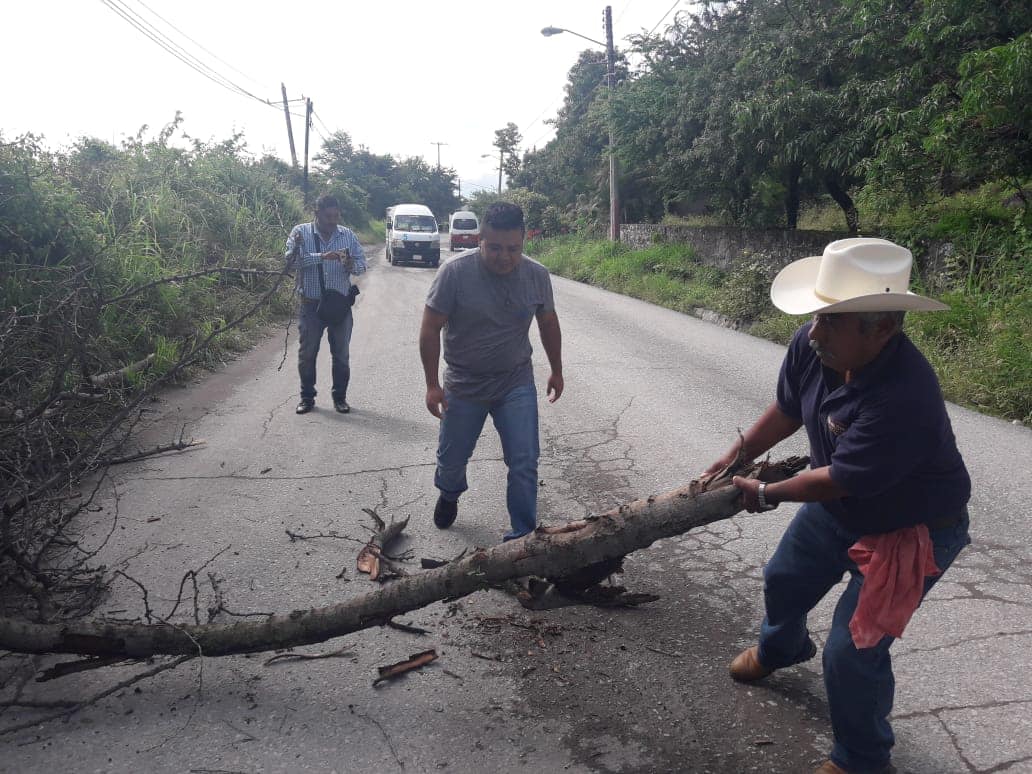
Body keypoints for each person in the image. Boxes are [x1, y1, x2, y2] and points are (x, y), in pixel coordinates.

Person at [702, 238, 971, 774]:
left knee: (853, 653)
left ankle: (862, 758)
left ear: (883, 328)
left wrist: (766, 492)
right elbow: (786, 408)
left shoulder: (905, 394)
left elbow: (841, 479)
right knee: (784, 578)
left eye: (832, 322)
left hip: (910, 528)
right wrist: (737, 456)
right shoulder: (816, 343)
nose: (814, 331)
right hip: (842, 511)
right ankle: (780, 648)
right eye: (818, 316)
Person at [419, 201, 563, 541]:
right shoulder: (454, 274)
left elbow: (548, 323)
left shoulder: (536, 275)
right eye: (495, 247)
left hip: (514, 380)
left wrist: (557, 370)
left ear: (524, 241)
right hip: (464, 383)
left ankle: (523, 540)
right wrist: (431, 384)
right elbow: (429, 329)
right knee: (452, 460)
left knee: (525, 461)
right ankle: (450, 493)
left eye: (513, 248)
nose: (504, 257)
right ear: (480, 239)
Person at [286, 195, 366, 415]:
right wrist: (322, 256)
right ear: (316, 213)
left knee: (341, 355)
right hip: (310, 305)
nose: (332, 221)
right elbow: (291, 261)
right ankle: (307, 398)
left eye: (335, 216)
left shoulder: (347, 235)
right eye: (328, 216)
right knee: (307, 353)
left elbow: (362, 265)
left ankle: (340, 398)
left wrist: (351, 264)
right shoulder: (300, 233)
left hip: (340, 306)